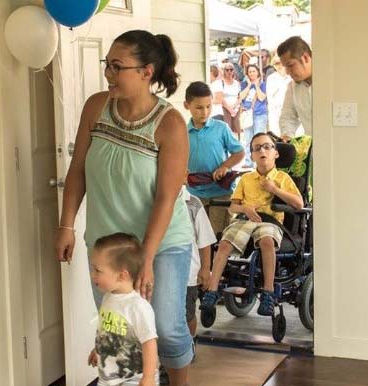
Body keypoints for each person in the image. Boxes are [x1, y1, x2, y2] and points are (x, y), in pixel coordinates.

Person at [54, 30, 194, 386]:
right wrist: (66, 225)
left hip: (161, 243)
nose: (108, 74)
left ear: (147, 72)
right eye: (108, 65)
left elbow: (166, 197)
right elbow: (78, 172)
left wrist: (145, 258)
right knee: (118, 328)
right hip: (107, 246)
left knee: (166, 327)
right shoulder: (95, 107)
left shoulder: (171, 124)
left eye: (118, 67)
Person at [200, 133, 303, 316]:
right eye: (257, 148)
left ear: (276, 153)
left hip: (269, 222)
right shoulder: (246, 179)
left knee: (266, 242)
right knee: (224, 244)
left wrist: (275, 189)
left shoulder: (283, 178)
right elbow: (233, 207)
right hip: (245, 220)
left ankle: (268, 293)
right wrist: (244, 208)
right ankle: (212, 291)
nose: (262, 150)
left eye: (267, 146)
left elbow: (299, 204)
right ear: (252, 156)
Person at [87, 233, 158, 386]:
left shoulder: (138, 307)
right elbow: (106, 331)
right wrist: (98, 350)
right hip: (108, 376)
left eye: (98, 270)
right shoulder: (108, 298)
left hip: (133, 378)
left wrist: (149, 377)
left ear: (122, 276)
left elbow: (149, 344)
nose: (93, 275)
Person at [184, 81, 245, 235]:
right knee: (197, 236)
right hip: (194, 194)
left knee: (217, 236)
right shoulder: (182, 133)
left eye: (208, 106)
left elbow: (239, 152)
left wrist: (225, 166)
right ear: (187, 105)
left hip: (220, 193)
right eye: (199, 107)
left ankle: (216, 260)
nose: (204, 111)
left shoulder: (221, 128)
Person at [183, 185, 216, 349]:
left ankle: (190, 343)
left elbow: (205, 241)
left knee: (187, 313)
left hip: (189, 272)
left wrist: (205, 268)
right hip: (162, 273)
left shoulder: (193, 204)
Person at [277, 36, 312, 141]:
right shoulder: (292, 87)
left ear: (305, 58)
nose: (287, 72)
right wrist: (286, 136)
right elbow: (288, 117)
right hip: (313, 150)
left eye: (290, 65)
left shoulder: (332, 83)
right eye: (285, 67)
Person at [240, 64, 268, 168]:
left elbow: (261, 97)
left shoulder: (263, 84)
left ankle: (258, 162)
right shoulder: (244, 84)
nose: (252, 73)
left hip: (260, 114)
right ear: (247, 74)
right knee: (248, 139)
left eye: (254, 71)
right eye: (250, 71)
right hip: (247, 114)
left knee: (259, 139)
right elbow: (241, 96)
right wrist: (248, 85)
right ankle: (248, 161)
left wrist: (256, 85)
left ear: (258, 72)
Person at [266, 56, 292, 136]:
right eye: (276, 64)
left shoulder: (291, 76)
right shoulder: (271, 78)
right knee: (277, 135)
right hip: (276, 111)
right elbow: (269, 97)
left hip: (290, 111)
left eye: (280, 63)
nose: (279, 66)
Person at [221, 62, 242, 135]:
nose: (229, 71)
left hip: (236, 109)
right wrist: (229, 109)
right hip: (225, 109)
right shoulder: (221, 82)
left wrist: (234, 107)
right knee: (227, 128)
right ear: (224, 71)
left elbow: (240, 96)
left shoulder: (237, 83)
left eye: (231, 69)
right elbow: (221, 98)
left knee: (236, 128)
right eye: (227, 70)